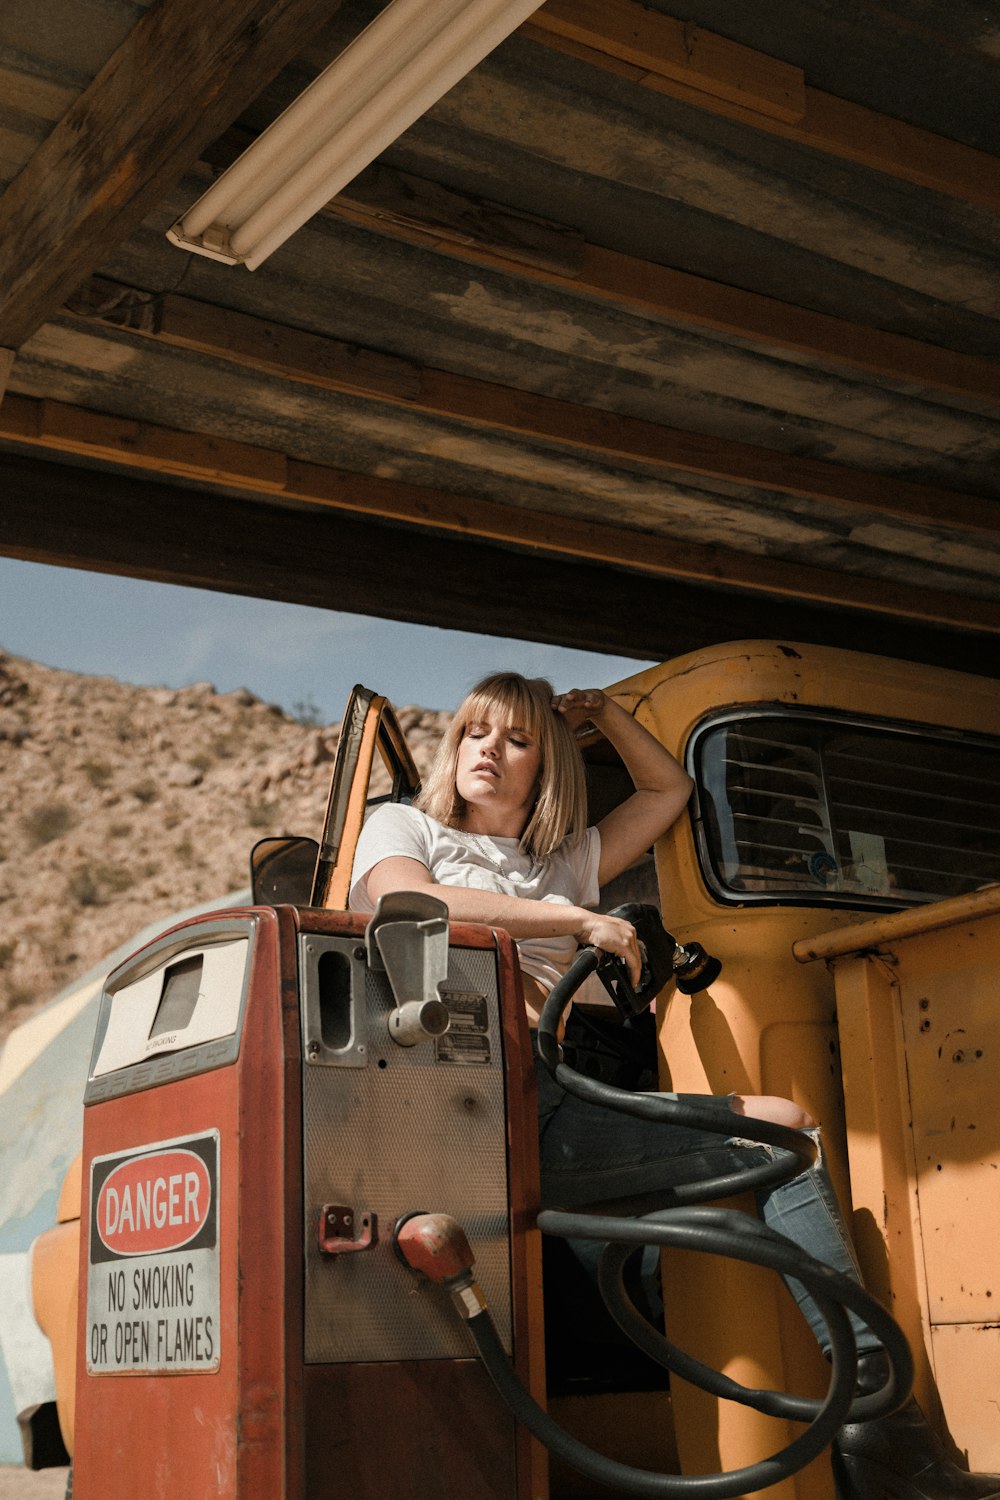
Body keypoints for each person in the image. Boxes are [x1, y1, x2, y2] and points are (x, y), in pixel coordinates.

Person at [349, 671, 999, 1500]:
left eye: (518, 740)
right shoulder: (404, 827)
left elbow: (668, 788)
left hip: (556, 1100)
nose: (491, 751)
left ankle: (878, 1419)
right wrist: (578, 919)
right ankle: (888, 1447)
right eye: (477, 732)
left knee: (787, 1132)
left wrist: (607, 715)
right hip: (469, 1118)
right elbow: (412, 898)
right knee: (775, 1143)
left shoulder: (565, 859)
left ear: (545, 767)